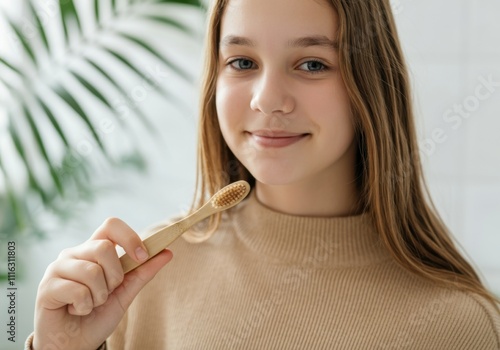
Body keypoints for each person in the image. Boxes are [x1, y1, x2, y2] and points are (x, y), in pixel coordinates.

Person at [27, 0, 500, 349]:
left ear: (371, 83)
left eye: (312, 64)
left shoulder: (459, 326)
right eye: (243, 63)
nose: (266, 98)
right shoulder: (147, 278)